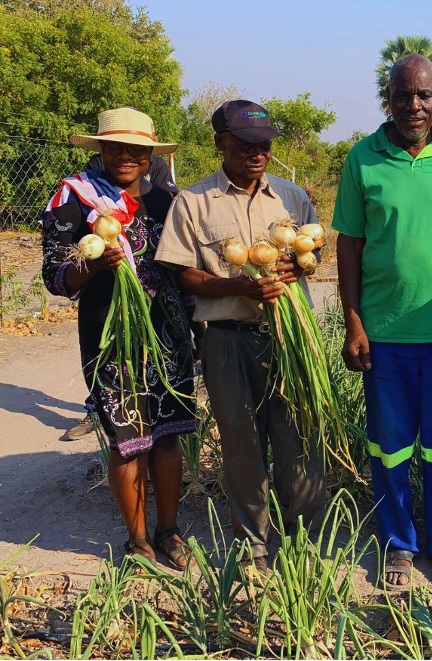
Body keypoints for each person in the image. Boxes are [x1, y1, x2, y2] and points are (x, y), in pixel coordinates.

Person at [333, 54, 432, 592]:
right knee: (391, 447)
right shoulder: (363, 158)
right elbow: (348, 245)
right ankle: (399, 546)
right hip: (385, 337)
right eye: (404, 95)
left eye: (424, 95)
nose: (414, 105)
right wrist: (354, 323)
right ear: (389, 100)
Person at [155, 100, 326, 574]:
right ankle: (253, 545)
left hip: (290, 337)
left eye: (264, 144)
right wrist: (238, 285)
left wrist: (300, 262)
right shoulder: (192, 202)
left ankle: (306, 540)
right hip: (227, 337)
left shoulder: (292, 197)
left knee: (298, 437)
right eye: (245, 144)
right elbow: (185, 275)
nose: (257, 153)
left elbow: (313, 250)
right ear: (220, 143)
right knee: (242, 443)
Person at [41, 107, 196, 566]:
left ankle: (170, 531)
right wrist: (89, 266)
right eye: (115, 147)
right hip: (111, 338)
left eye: (136, 149)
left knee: (168, 437)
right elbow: (55, 278)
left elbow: (185, 270)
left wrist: (198, 326)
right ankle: (138, 539)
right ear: (101, 150)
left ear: (150, 155)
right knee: (129, 439)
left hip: (169, 334)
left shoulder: (168, 201)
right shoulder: (75, 200)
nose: (125, 156)